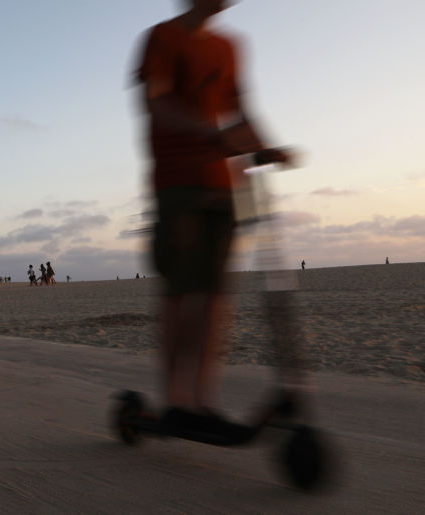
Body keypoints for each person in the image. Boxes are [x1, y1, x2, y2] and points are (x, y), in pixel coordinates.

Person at [135, 0, 292, 415]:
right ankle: (176, 399)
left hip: (228, 185)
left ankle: (202, 399)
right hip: (178, 181)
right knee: (180, 291)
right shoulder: (163, 37)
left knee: (216, 295)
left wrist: (264, 146)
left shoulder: (229, 45)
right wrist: (207, 132)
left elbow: (241, 110)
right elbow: (156, 101)